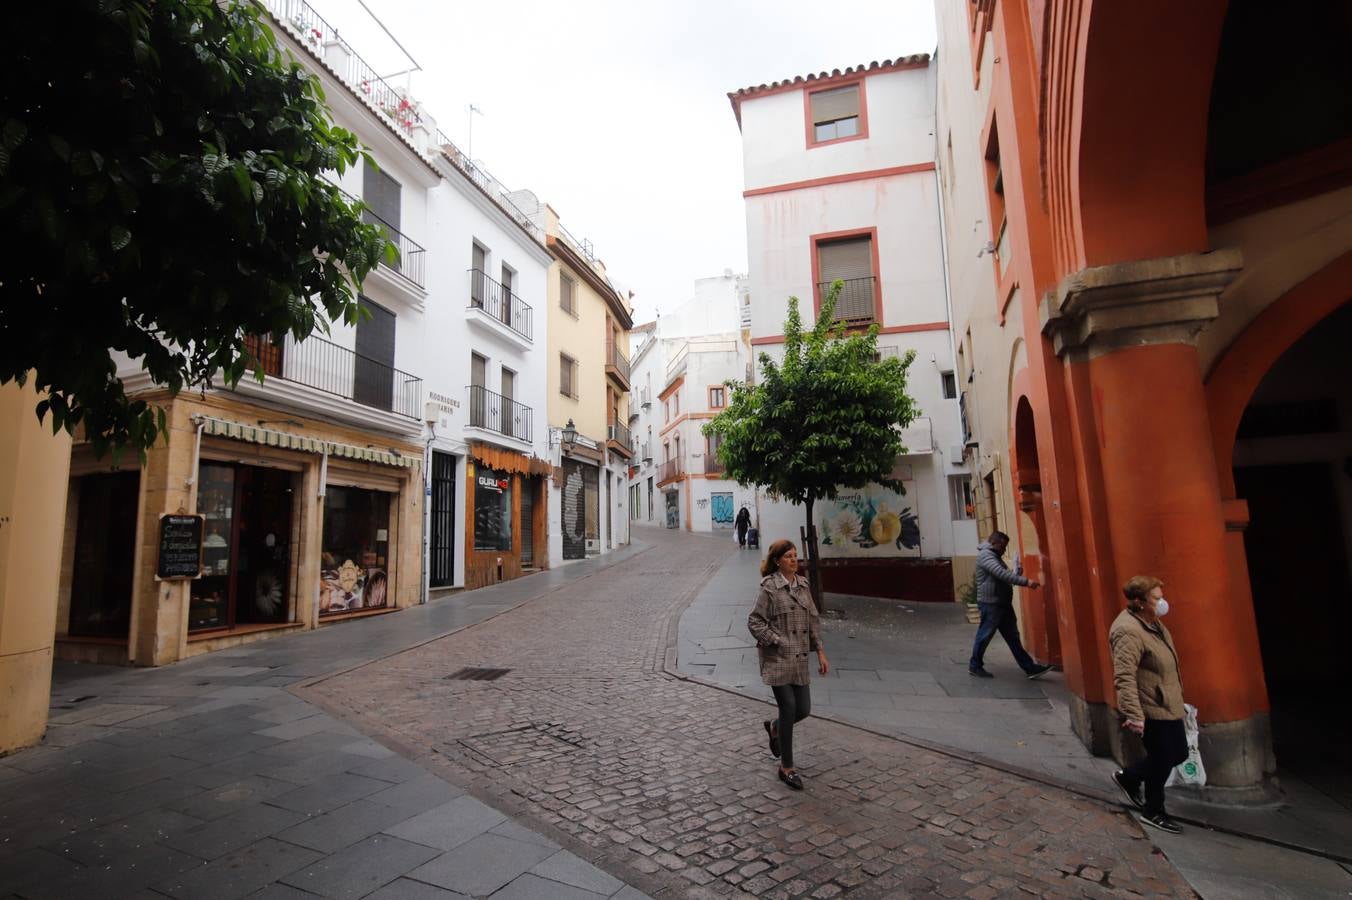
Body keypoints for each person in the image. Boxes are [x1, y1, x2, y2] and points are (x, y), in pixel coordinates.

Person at [1109, 575, 1189, 834]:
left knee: (1177, 753)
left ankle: (1129, 778)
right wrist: (1134, 714)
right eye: (1156, 598)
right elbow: (1124, 675)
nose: (1162, 601)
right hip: (1150, 706)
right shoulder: (1128, 630)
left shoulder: (1153, 623)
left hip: (1166, 701)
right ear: (1138, 601)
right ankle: (1154, 810)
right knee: (1163, 757)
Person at [747, 539, 828, 790]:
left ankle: (775, 728)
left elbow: (812, 621)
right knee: (789, 707)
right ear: (777, 561)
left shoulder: (803, 586)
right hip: (778, 659)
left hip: (800, 659)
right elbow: (755, 622)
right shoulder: (769, 588)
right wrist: (777, 640)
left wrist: (821, 652)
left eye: (796, 555)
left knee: (803, 709)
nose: (795, 560)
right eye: (789, 556)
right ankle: (787, 767)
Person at [968, 531, 1052, 679]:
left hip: (1001, 602)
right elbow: (1001, 574)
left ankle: (1030, 668)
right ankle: (975, 665)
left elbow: (1003, 576)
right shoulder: (986, 555)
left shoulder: (993, 555)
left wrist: (1016, 572)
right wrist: (1026, 582)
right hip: (992, 603)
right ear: (996, 543)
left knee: (1013, 637)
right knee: (985, 635)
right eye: (1003, 546)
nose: (1004, 550)